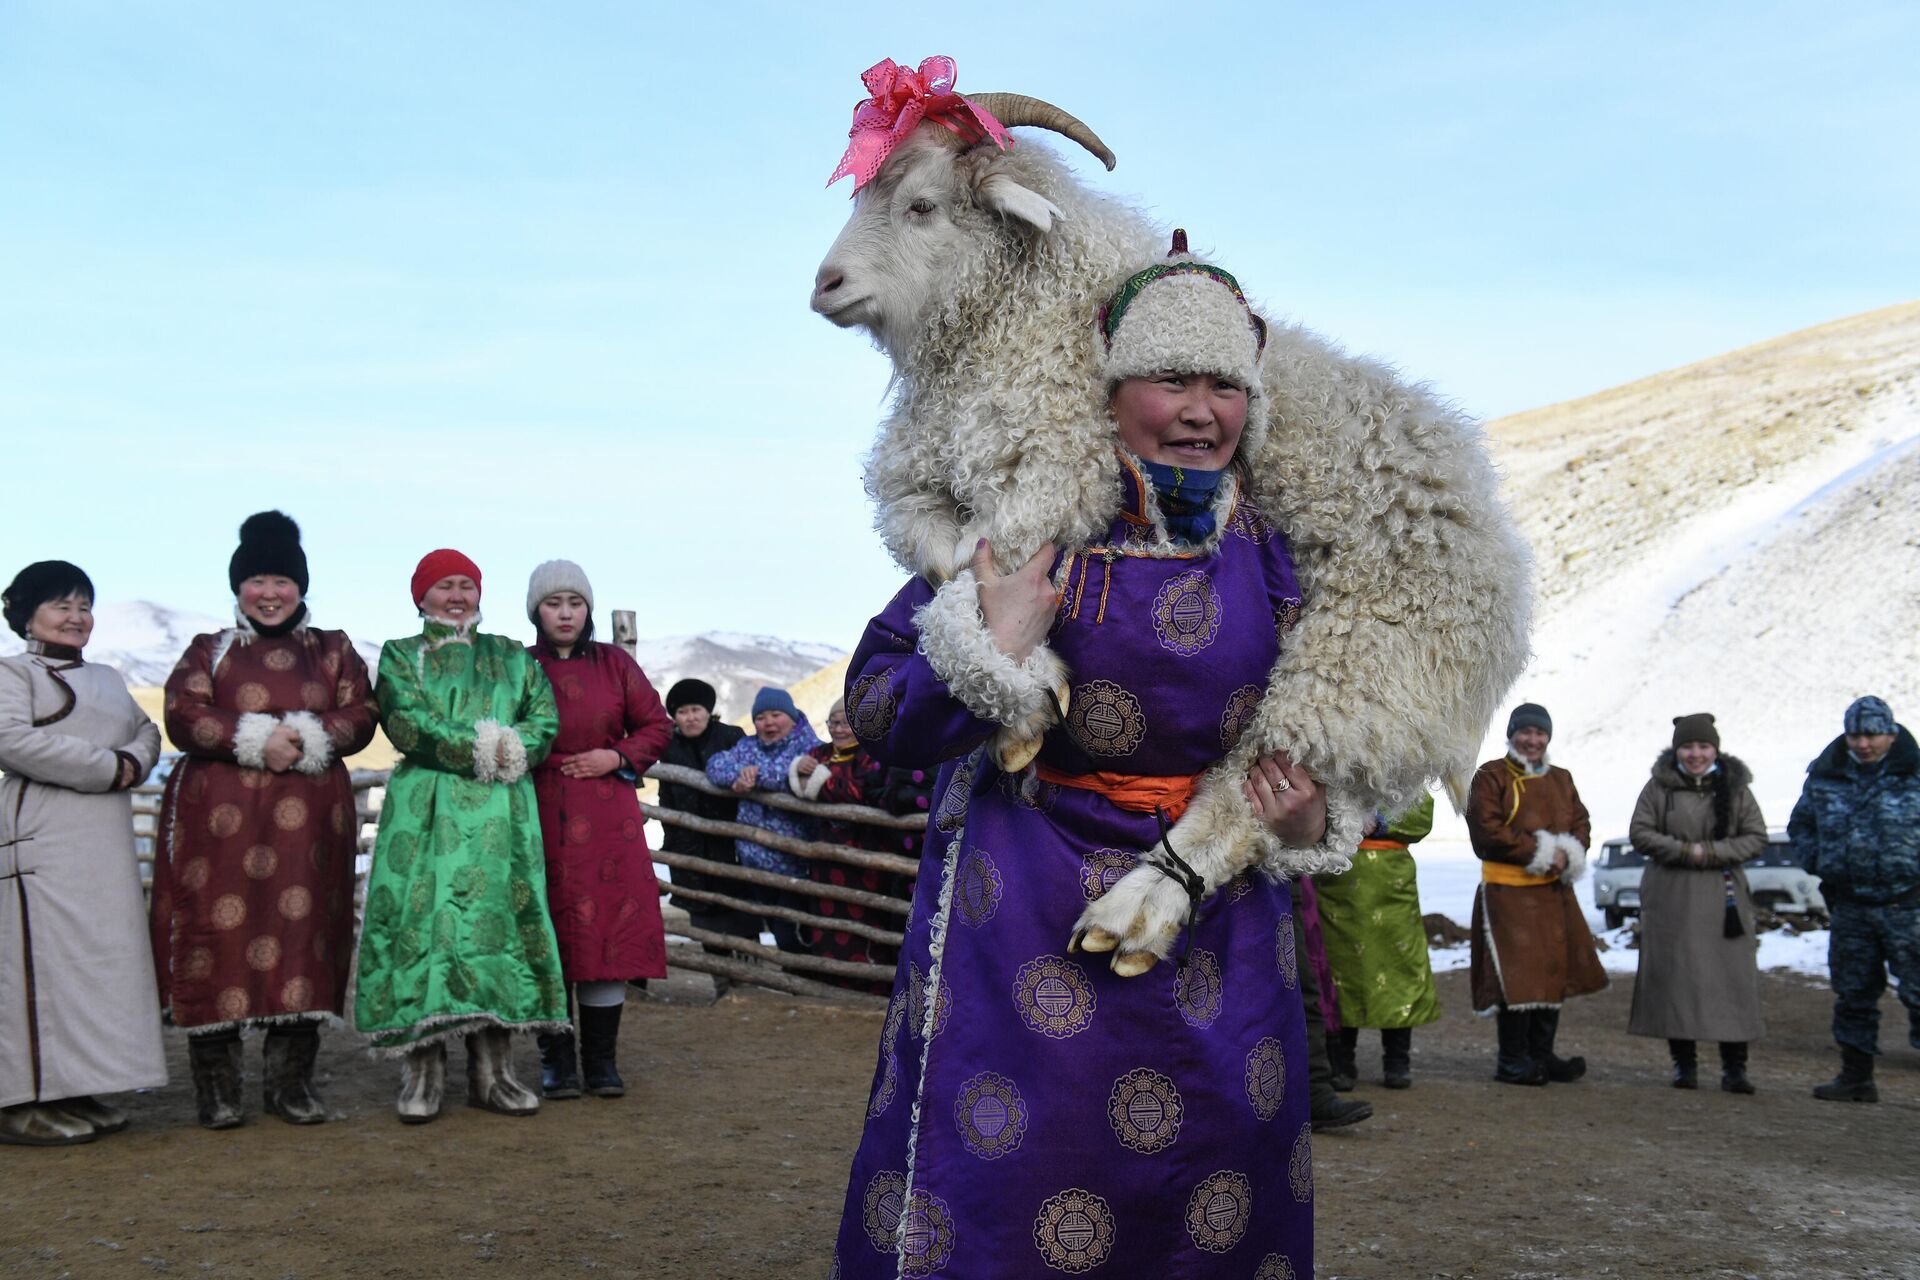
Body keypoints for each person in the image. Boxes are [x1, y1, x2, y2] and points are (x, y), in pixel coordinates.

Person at [828, 241, 1326, 1276]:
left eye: (1226, 384)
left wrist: (1306, 815)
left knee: (1216, 1184)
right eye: (1171, 379)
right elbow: (875, 707)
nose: (1201, 411)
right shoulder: (1026, 524)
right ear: (1109, 390)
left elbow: (1341, 737)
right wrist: (988, 652)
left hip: (1221, 922)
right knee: (1011, 1184)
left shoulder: (1282, 554)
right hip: (1021, 922)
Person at [150, 513, 377, 1128]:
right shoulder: (210, 650)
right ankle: (218, 1091)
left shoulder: (333, 649)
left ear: (302, 587)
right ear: (238, 588)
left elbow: (362, 714)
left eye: (283, 580)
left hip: (309, 830)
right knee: (214, 939)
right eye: (257, 580)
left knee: (305, 940)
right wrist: (255, 738)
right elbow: (182, 713)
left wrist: (301, 736)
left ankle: (290, 1087)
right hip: (217, 830)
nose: (270, 593)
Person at [352, 550, 568, 1122]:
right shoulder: (401, 656)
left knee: (495, 933)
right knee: (424, 927)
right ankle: (422, 1071)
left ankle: (492, 1072)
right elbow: (405, 720)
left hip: (501, 817)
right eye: (443, 587)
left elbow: (542, 717)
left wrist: (516, 746)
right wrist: (482, 748)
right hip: (426, 812)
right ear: (421, 596)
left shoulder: (513, 656)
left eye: (465, 586)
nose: (456, 597)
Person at [0, 562, 165, 1146]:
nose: (76, 617)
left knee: (88, 967)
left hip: (101, 845)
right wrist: (108, 767)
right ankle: (19, 1101)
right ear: (25, 614)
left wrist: (133, 762)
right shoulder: (10, 674)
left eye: (84, 606)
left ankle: (74, 1086)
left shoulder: (110, 678)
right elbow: (10, 740)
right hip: (41, 840)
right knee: (33, 965)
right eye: (60, 605)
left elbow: (147, 733)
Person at [524, 561, 672, 1100]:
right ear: (535, 611)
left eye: (575, 603)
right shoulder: (518, 667)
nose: (565, 613)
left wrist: (614, 755)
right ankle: (556, 1062)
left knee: (605, 932)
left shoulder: (614, 665)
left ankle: (601, 1062)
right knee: (546, 933)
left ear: (587, 609)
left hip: (608, 816)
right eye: (552, 603)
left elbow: (658, 725)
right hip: (536, 811)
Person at [1466, 703, 1608, 1086]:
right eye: (1525, 732)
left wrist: (1569, 853)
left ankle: (1542, 1055)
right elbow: (1487, 831)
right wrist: (1540, 853)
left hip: (1553, 893)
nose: (1532, 739)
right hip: (1507, 894)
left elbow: (1581, 821)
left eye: (1539, 733)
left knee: (1552, 971)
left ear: (1548, 737)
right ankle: (1512, 1060)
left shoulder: (1562, 779)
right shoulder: (1490, 776)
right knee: (1518, 978)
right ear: (1512, 734)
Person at [1789, 695, 1920, 1104]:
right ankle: (1856, 1077)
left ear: (1891, 734)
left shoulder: (1914, 773)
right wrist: (1821, 861)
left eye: (1872, 735)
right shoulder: (1826, 775)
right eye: (1855, 735)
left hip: (1909, 904)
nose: (1864, 743)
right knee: (1854, 993)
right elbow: (1801, 825)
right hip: (1851, 907)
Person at [1627, 713, 1766, 1092]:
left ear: (1715, 749)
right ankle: (1683, 1066)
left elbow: (1756, 836)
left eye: (1703, 746)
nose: (1695, 754)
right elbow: (1639, 832)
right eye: (1688, 746)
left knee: (1731, 981)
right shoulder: (1659, 787)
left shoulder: (1736, 788)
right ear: (1677, 749)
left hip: (1725, 900)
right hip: (1671, 897)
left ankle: (1735, 1068)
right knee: (1678, 981)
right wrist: (1688, 851)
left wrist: (1713, 852)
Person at [1318, 793, 1440, 1090]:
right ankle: (1342, 1061)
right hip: (1339, 879)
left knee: (1399, 967)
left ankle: (1397, 1060)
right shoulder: (1335, 764)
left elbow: (1421, 817)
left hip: (1392, 884)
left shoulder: (1407, 766)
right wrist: (1349, 820)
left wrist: (1380, 822)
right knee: (1342, 970)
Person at [792, 697, 903, 987]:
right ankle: (833, 979)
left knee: (864, 917)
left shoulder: (873, 754)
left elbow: (859, 790)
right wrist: (797, 771)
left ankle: (869, 981)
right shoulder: (819, 753)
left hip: (864, 857)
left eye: (846, 723)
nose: (838, 729)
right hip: (825, 857)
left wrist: (813, 782)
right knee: (827, 918)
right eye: (833, 723)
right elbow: (794, 784)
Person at [703, 686, 820, 953]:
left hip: (795, 862)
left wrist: (757, 777)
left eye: (776, 715)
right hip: (754, 860)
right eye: (761, 717)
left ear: (791, 716)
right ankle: (794, 984)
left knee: (793, 932)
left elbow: (807, 779)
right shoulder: (748, 746)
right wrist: (739, 775)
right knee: (776, 927)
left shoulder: (810, 747)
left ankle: (804, 982)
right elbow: (715, 766)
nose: (768, 723)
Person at [656, 678, 757, 984]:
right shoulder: (669, 747)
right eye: (683, 711)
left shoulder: (731, 736)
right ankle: (721, 984)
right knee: (705, 920)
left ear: (708, 711)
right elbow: (667, 797)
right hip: (688, 847)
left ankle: (747, 982)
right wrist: (671, 845)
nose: (690, 717)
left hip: (732, 847)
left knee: (741, 915)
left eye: (696, 709)